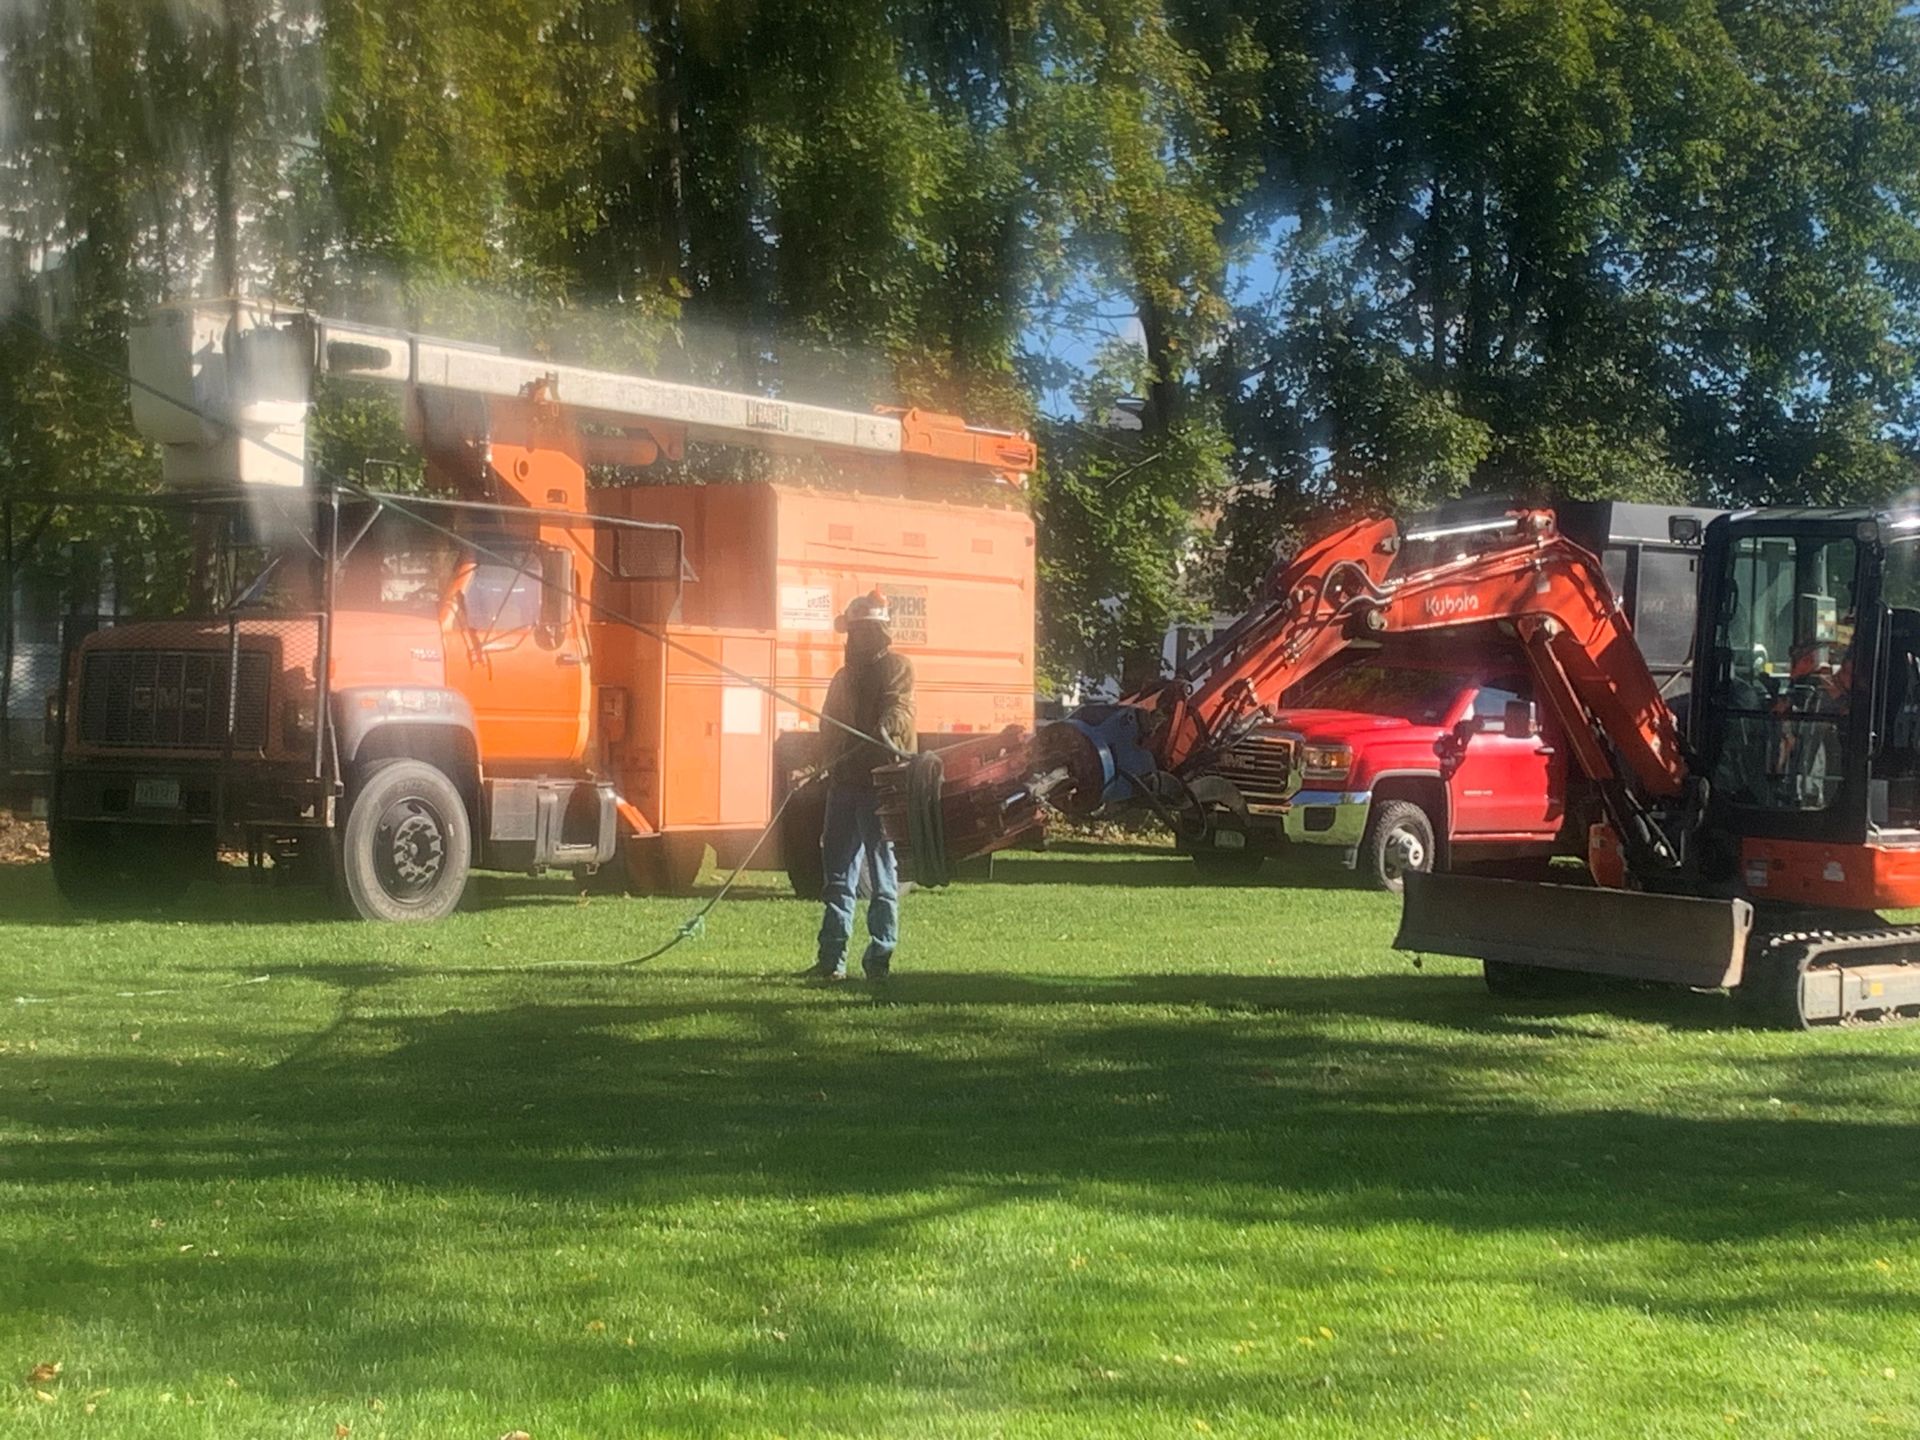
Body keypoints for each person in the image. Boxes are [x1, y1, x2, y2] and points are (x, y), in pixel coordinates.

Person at [802, 589, 916, 982]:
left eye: (864, 631)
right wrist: (820, 760)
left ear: (879, 633)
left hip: (878, 787)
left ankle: (878, 960)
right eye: (853, 632)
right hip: (844, 787)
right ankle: (831, 961)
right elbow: (828, 724)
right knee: (836, 878)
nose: (856, 639)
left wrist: (886, 728)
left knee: (883, 878)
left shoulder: (897, 668)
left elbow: (900, 707)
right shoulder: (842, 678)